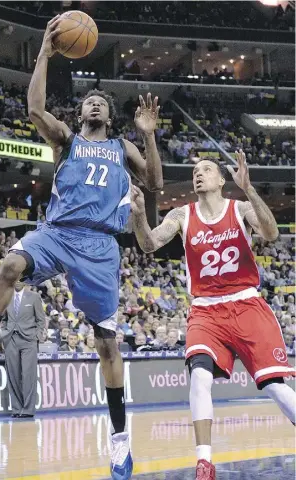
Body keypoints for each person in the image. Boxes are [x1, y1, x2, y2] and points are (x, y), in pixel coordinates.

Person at [0, 15, 163, 480]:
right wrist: (44, 49)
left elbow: (156, 183)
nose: (96, 105)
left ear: (110, 114)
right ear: (81, 114)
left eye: (102, 101)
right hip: (58, 231)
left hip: (100, 246)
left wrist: (150, 134)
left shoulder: (122, 147)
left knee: (107, 345)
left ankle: (119, 439)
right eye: (89, 102)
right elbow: (35, 109)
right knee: (8, 265)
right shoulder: (67, 140)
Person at [130, 151, 296, 480]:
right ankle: (204, 463)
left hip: (247, 304)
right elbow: (149, 244)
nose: (198, 174)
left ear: (221, 180)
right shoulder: (181, 215)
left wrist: (248, 189)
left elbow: (272, 233)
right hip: (206, 309)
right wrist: (137, 216)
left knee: (275, 387)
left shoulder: (240, 208)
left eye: (206, 169)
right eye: (195, 171)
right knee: (199, 376)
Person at [0, 282, 45, 418]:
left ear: (25, 281)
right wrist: (3, 333)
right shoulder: (6, 296)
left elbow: (41, 320)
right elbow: (4, 319)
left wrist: (37, 335)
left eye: (21, 278)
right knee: (13, 375)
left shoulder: (34, 297)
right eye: (16, 278)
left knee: (28, 375)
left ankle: (28, 410)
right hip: (10, 339)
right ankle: (16, 409)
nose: (18, 281)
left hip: (29, 340)